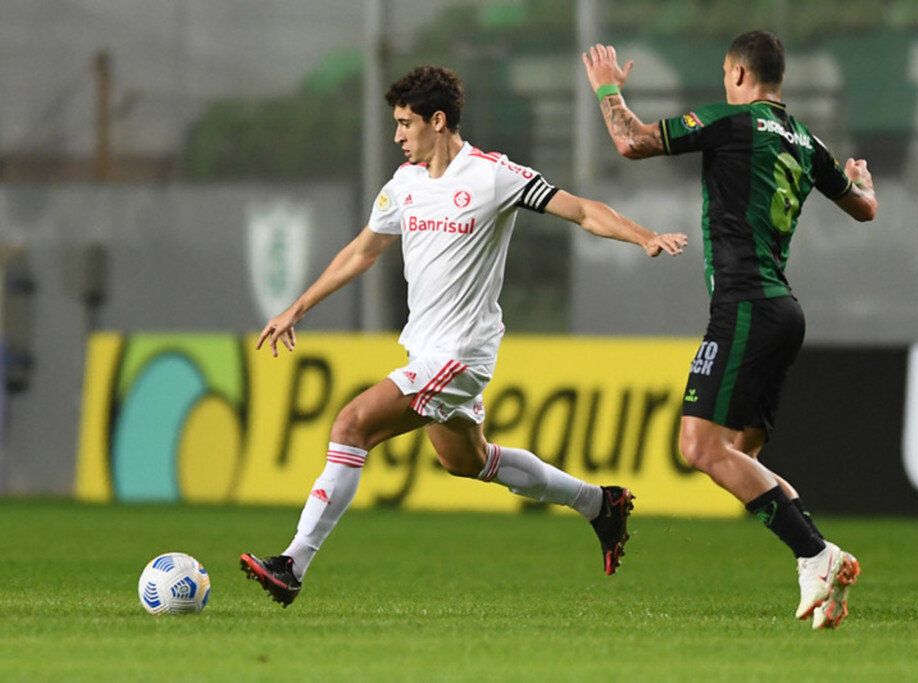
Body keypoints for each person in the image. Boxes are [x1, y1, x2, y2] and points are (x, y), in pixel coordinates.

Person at [240, 65, 688, 606]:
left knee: (352, 424)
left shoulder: (492, 175)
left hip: (461, 355)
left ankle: (293, 563)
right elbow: (362, 251)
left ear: (438, 120)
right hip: (425, 349)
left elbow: (584, 211)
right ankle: (599, 504)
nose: (398, 135)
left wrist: (644, 237)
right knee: (467, 461)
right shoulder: (403, 185)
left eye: (406, 124)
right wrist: (297, 307)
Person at [583, 31, 878, 630]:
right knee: (742, 457)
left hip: (744, 305)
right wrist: (861, 178)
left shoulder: (732, 121)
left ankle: (815, 555)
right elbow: (864, 207)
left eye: (725, 74)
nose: (724, 84)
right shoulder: (805, 139)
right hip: (782, 311)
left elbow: (629, 140)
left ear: (740, 75)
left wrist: (607, 88)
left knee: (699, 447)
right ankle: (823, 562)